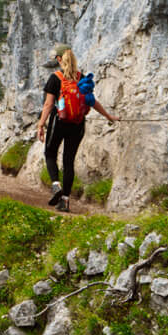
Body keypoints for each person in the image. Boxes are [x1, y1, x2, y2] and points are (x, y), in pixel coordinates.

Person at [36, 46, 117, 212]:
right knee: (68, 161)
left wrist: (40, 125)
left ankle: (56, 185)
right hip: (77, 125)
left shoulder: (55, 78)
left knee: (50, 153)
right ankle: (65, 201)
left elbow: (49, 104)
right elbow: (91, 102)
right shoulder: (82, 79)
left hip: (59, 122)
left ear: (59, 59)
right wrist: (108, 116)